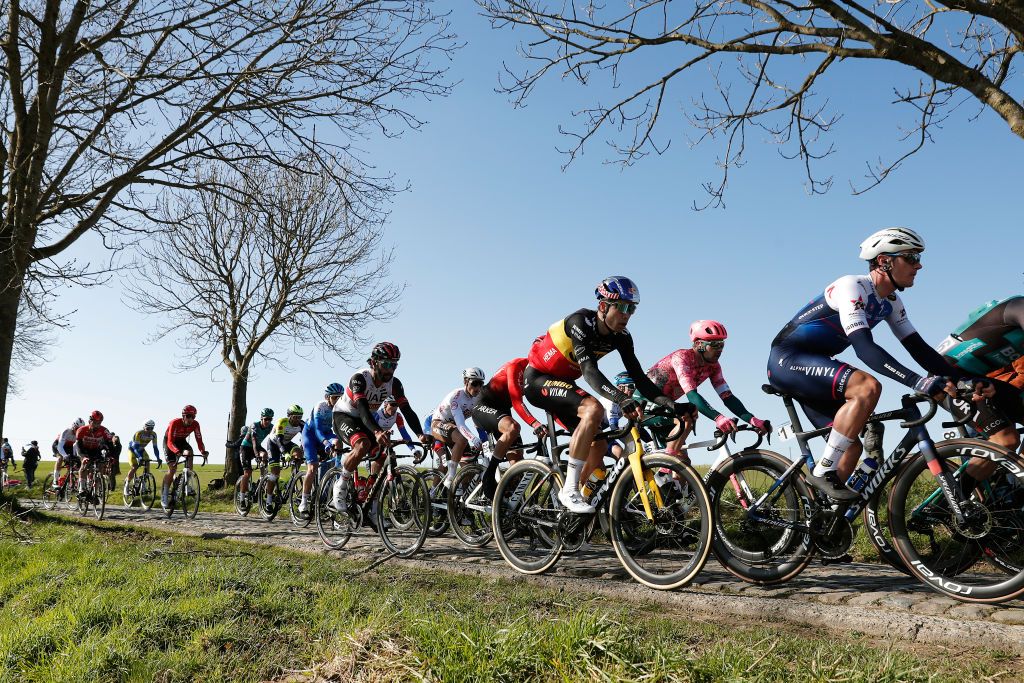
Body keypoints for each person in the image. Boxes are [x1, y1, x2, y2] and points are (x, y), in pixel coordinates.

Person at [766, 227, 991, 500]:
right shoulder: (853, 286)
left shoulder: (891, 302)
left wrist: (967, 378)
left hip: (816, 364)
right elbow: (864, 348)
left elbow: (920, 350)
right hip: (788, 359)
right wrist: (917, 381)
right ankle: (823, 472)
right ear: (885, 261)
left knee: (850, 449)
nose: (918, 265)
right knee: (867, 387)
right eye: (910, 257)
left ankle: (822, 522)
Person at [523, 276, 677, 513]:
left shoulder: (622, 337)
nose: (627, 314)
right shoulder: (580, 322)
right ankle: (570, 490)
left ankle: (575, 504)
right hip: (537, 380)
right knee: (593, 408)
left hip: (563, 384)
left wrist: (670, 404)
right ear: (603, 306)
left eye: (632, 308)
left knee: (599, 444)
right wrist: (621, 398)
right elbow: (590, 372)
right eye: (623, 307)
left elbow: (640, 378)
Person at [331, 342, 431, 515]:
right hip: (344, 415)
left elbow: (407, 410)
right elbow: (362, 409)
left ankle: (370, 499)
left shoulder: (395, 384)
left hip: (365, 420)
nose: (390, 370)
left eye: (394, 365)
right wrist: (377, 431)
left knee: (383, 455)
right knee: (362, 444)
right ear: (373, 362)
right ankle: (341, 486)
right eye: (386, 364)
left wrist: (420, 434)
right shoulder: (359, 378)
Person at [646, 320, 768, 458]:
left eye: (722, 344)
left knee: (683, 466)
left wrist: (753, 420)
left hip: (668, 407)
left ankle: (668, 472)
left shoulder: (713, 366)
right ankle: (665, 469)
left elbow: (727, 397)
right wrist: (718, 418)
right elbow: (691, 395)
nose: (720, 349)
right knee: (688, 416)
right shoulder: (682, 358)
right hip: (645, 403)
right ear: (699, 344)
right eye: (715, 344)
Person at [938, 295, 1024, 488]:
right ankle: (953, 500)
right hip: (948, 381)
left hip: (982, 381)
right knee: (1006, 440)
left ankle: (1016, 492)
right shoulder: (1019, 306)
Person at [471, 358, 543, 496]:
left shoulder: (539, 372)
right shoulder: (516, 366)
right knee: (512, 427)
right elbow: (517, 401)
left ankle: (505, 502)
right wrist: (534, 423)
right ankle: (489, 473)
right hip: (484, 405)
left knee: (517, 463)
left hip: (503, 410)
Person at [430, 367, 486, 489]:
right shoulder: (456, 397)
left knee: (468, 468)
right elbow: (460, 424)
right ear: (465, 381)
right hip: (438, 424)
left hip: (454, 428)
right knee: (462, 439)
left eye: (481, 384)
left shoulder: (478, 398)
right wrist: (473, 439)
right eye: (474, 383)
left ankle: (458, 497)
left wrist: (484, 440)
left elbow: (480, 420)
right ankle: (449, 478)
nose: (478, 388)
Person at [299, 386, 344, 516]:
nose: (337, 400)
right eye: (335, 397)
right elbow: (318, 429)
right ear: (327, 397)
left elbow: (340, 429)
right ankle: (304, 501)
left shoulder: (341, 407)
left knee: (338, 442)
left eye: (340, 397)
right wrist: (325, 443)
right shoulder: (321, 406)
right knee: (312, 468)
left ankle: (337, 469)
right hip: (311, 435)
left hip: (327, 433)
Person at [162, 405, 209, 508]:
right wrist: (176, 451)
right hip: (170, 442)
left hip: (181, 441)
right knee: (172, 469)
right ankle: (164, 494)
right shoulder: (175, 423)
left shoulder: (195, 424)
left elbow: (199, 439)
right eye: (188, 416)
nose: (191, 419)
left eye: (193, 416)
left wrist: (202, 451)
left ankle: (188, 482)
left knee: (189, 453)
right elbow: (170, 442)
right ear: (183, 416)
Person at [260, 405, 305, 510]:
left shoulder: (302, 424)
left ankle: (294, 476)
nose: (298, 419)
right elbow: (279, 441)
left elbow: (306, 438)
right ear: (289, 416)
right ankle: (269, 499)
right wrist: (285, 453)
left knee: (299, 452)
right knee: (275, 473)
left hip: (287, 442)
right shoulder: (282, 422)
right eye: (295, 417)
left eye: (300, 417)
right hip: (274, 444)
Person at [75, 411, 115, 501]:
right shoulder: (81, 430)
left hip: (95, 450)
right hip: (84, 449)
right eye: (95, 422)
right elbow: (79, 446)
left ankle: (95, 493)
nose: (97, 425)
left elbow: (110, 444)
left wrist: (111, 456)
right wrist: (83, 456)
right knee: (85, 465)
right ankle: (82, 489)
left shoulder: (104, 430)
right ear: (90, 421)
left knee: (100, 467)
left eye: (99, 423)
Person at [238, 409, 275, 505]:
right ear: (261, 418)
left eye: (270, 419)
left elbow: (275, 439)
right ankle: (242, 498)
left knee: (265, 455)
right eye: (266, 419)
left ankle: (262, 477)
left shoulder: (271, 427)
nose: (268, 422)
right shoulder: (254, 425)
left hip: (257, 447)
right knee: (247, 473)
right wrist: (257, 455)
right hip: (246, 447)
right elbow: (254, 440)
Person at [125, 420, 161, 495]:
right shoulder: (139, 433)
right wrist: (140, 457)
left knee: (147, 461)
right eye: (148, 428)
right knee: (135, 467)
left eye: (152, 428)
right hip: (132, 450)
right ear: (144, 427)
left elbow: (155, 448)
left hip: (141, 450)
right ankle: (127, 485)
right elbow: (135, 448)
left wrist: (158, 458)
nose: (150, 431)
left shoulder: (154, 435)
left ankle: (143, 482)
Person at [51, 418, 84, 490]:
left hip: (69, 446)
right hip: (58, 445)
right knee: (61, 458)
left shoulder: (79, 434)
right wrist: (65, 455)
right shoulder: (66, 431)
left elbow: (76, 447)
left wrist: (78, 457)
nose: (78, 430)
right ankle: (55, 480)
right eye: (77, 428)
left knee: (76, 462)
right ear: (73, 426)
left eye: (80, 429)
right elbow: (60, 446)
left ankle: (69, 479)